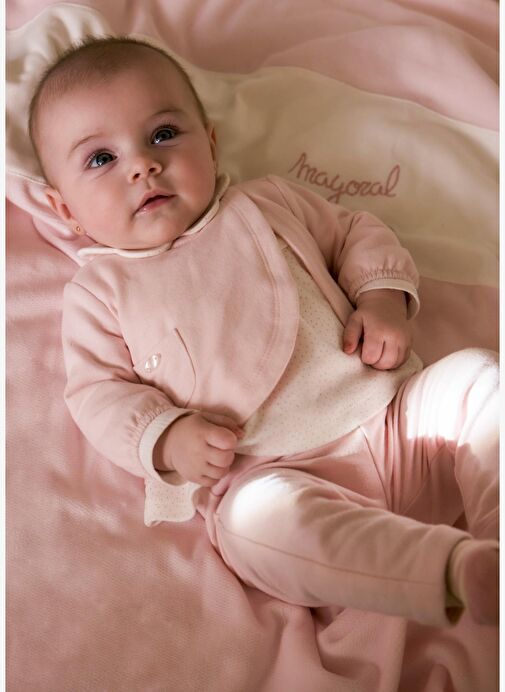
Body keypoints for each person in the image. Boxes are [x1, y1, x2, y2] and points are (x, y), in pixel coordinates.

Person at [29, 35, 498, 629]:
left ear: (211, 143)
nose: (143, 165)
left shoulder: (267, 203)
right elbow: (98, 393)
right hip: (278, 476)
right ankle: (451, 573)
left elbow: (354, 232)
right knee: (252, 526)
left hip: (401, 426)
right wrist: (166, 438)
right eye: (101, 159)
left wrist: (381, 298)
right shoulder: (100, 292)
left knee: (480, 378)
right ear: (66, 210)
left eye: (163, 134)